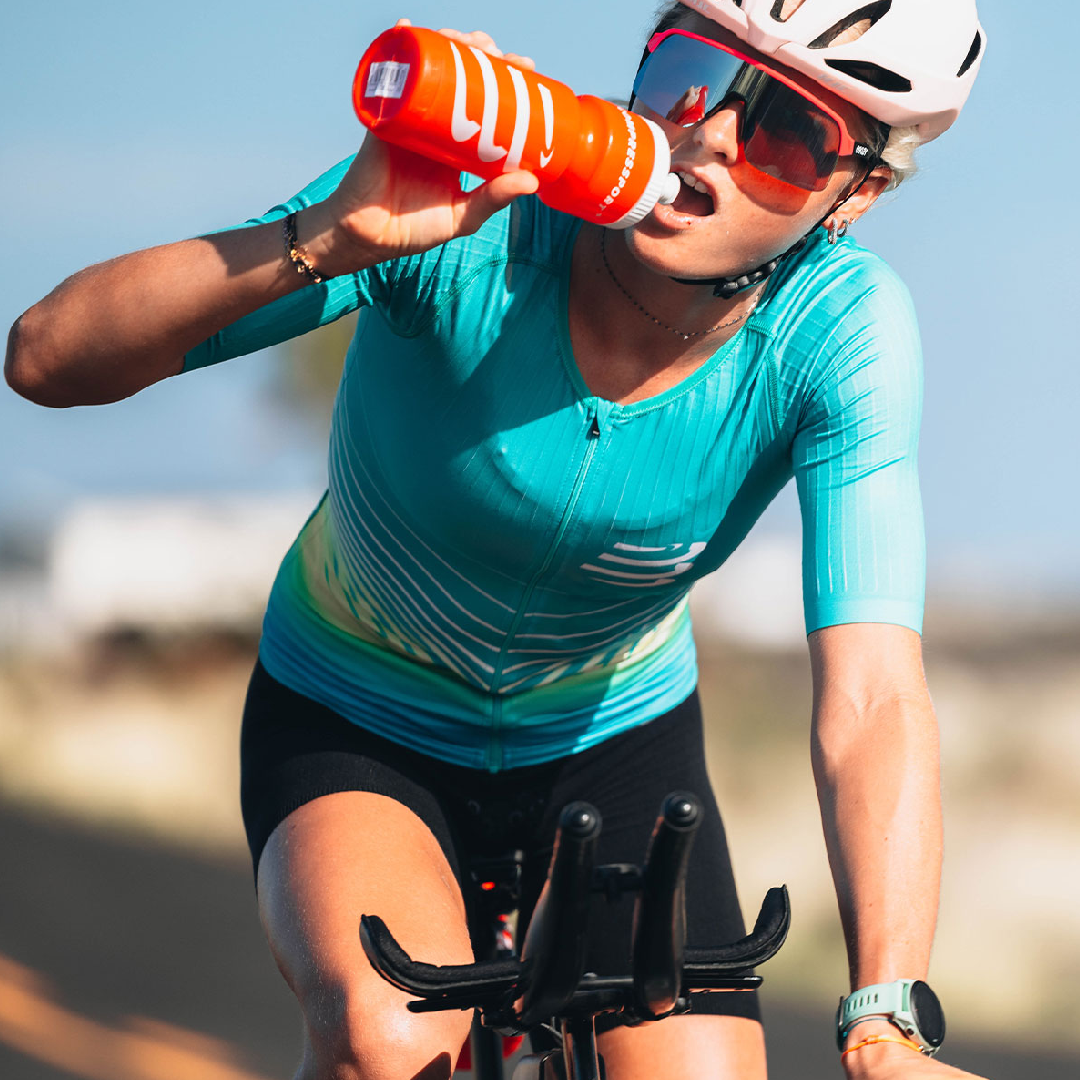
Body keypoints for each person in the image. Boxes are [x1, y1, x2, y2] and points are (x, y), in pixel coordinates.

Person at [5, 0, 989, 1076]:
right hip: (357, 704)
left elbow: (874, 694)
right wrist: (329, 236)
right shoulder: (477, 203)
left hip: (613, 738)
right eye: (690, 72)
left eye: (789, 133)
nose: (705, 132)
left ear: (858, 192)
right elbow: (45, 362)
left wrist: (886, 1014)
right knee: (390, 1043)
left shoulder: (843, 332)